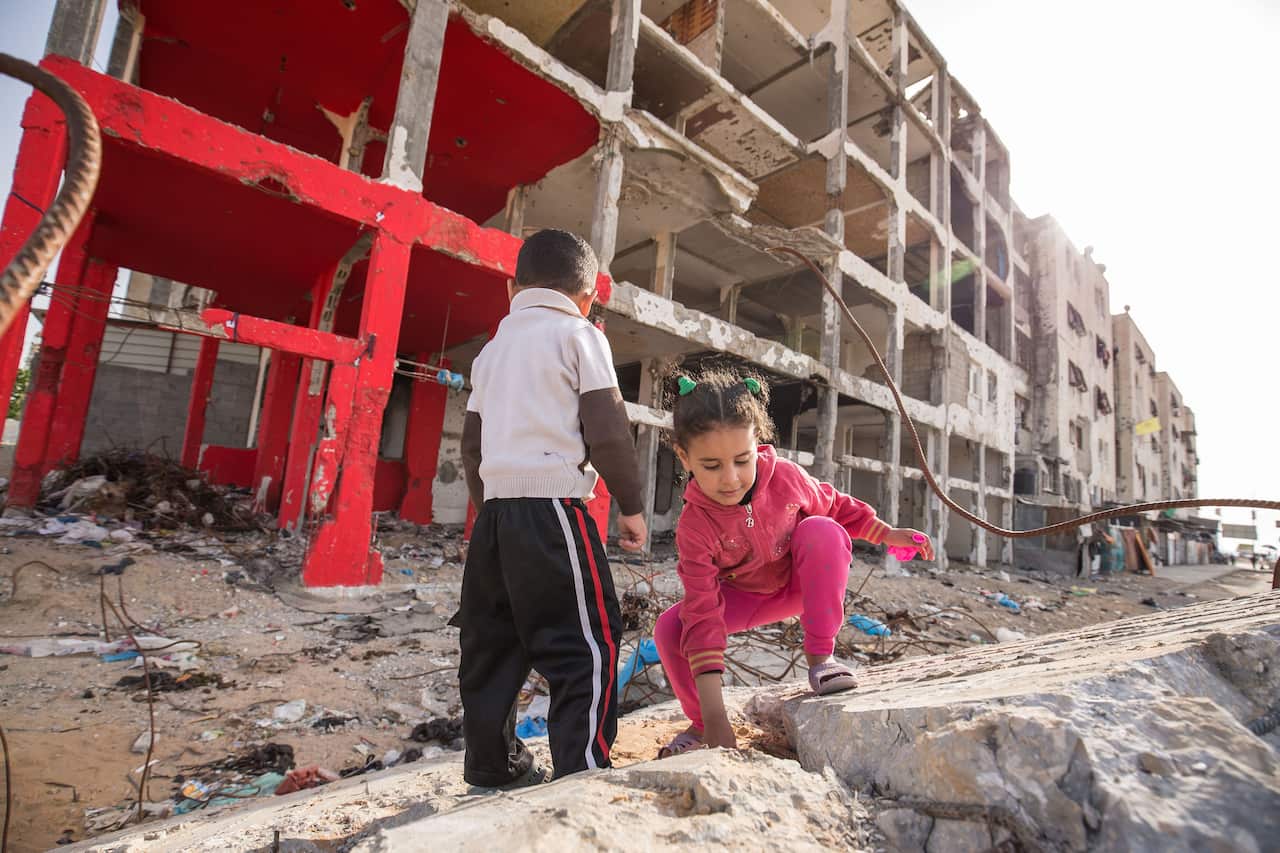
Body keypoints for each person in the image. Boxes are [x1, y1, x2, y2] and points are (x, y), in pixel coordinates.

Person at [652, 369, 933, 756]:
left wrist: (886, 533)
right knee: (671, 629)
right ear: (684, 456)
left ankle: (821, 661)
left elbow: (836, 506)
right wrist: (716, 719)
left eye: (742, 460)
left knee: (822, 529)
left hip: (800, 584)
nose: (731, 478)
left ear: (757, 442)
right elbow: (703, 612)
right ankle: (701, 724)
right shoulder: (695, 525)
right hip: (747, 598)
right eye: (712, 466)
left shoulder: (785, 478)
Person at [457, 229, 647, 788]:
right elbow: (607, 431)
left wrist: (493, 514)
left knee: (491, 648)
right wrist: (632, 506)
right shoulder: (580, 335)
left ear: (511, 288)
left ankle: (493, 766)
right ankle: (581, 770)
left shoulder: (491, 352)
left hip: (495, 520)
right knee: (587, 646)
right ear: (588, 297)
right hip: (555, 512)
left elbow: (472, 447)